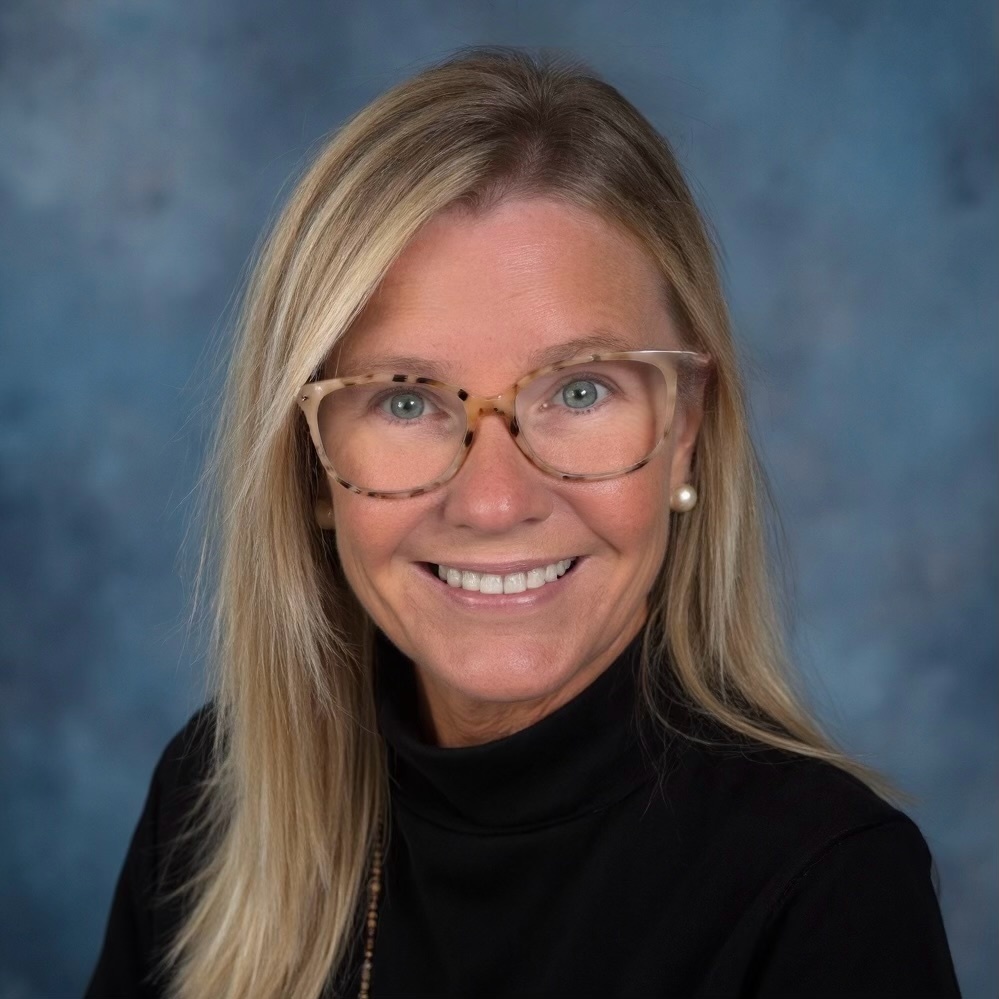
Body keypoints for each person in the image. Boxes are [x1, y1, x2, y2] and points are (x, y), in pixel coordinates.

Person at [86, 48, 961, 999]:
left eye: (579, 389)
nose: (495, 500)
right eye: (404, 401)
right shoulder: (214, 799)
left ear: (684, 434)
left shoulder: (827, 888)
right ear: (308, 465)